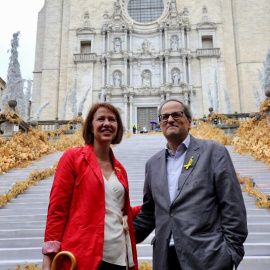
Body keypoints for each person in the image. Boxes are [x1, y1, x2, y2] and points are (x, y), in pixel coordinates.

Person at [133, 99, 248, 270]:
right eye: (164, 117)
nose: (170, 119)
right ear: (160, 124)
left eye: (176, 115)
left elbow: (232, 205)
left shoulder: (214, 152)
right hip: (165, 259)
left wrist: (230, 253)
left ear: (189, 121)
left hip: (208, 257)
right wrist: (115, 238)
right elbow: (149, 213)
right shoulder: (153, 164)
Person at [42, 103, 141, 270]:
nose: (107, 123)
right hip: (84, 255)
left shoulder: (120, 169)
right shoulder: (73, 158)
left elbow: (119, 211)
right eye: (100, 119)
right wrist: (49, 255)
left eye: (112, 119)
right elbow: (57, 209)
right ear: (90, 126)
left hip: (119, 255)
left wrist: (154, 205)